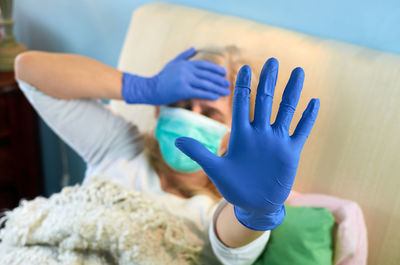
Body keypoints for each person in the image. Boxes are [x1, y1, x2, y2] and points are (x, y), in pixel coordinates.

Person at [14, 46, 319, 265]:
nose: (190, 117)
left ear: (236, 133)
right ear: (159, 108)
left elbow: (233, 239)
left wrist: (254, 213)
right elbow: (27, 70)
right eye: (182, 104)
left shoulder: (220, 208)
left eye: (210, 113)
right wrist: (140, 86)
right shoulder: (121, 147)